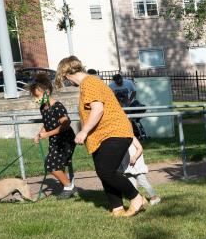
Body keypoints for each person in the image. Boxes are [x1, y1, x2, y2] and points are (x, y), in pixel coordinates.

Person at [55, 56, 147, 217]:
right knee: (103, 171)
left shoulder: (90, 83)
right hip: (102, 135)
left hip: (114, 131)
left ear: (67, 74)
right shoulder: (89, 84)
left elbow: (97, 110)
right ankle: (117, 208)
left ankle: (136, 197)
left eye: (64, 78)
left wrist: (83, 132)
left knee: (106, 171)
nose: (66, 81)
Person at [29, 72, 76, 199]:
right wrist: (39, 134)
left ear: (47, 92)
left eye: (37, 95)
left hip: (64, 140)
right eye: (34, 96)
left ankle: (69, 186)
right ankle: (67, 188)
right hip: (54, 139)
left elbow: (65, 124)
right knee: (56, 164)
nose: (36, 99)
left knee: (50, 164)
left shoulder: (57, 106)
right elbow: (46, 123)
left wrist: (48, 134)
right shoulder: (43, 107)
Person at [120, 137, 161, 206]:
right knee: (132, 185)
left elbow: (140, 148)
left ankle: (154, 197)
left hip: (136, 166)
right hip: (127, 167)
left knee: (143, 182)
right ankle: (138, 200)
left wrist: (135, 157)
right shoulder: (119, 139)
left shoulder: (132, 137)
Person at [109, 73, 147, 138]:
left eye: (120, 82)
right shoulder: (111, 85)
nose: (119, 84)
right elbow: (110, 95)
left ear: (122, 79)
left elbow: (134, 92)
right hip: (119, 105)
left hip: (130, 103)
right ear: (114, 81)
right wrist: (117, 102)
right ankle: (124, 133)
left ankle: (134, 133)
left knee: (131, 118)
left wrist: (129, 100)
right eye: (117, 83)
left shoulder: (128, 83)